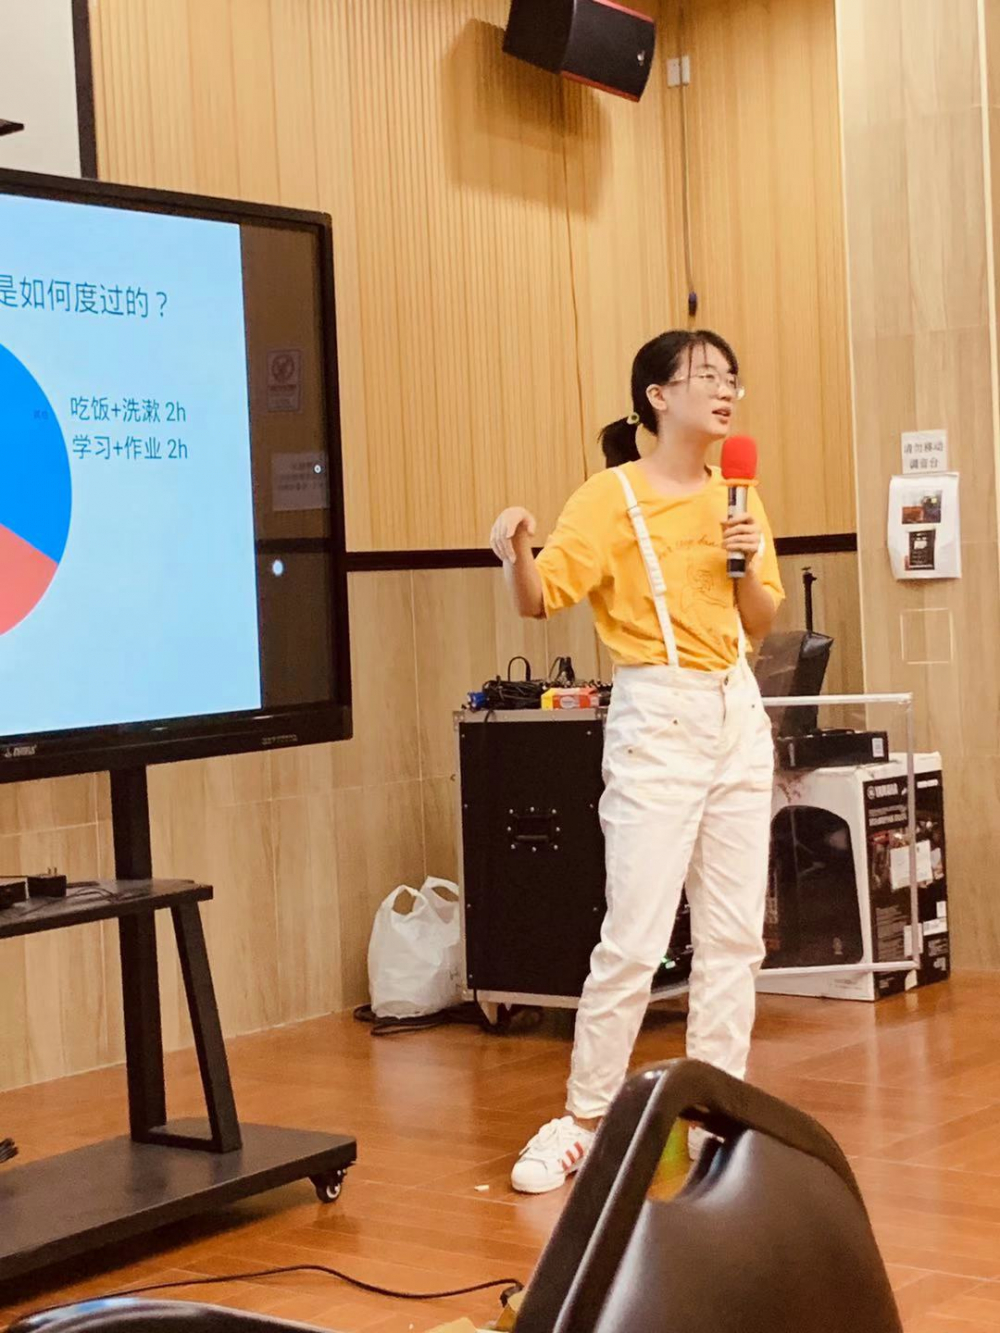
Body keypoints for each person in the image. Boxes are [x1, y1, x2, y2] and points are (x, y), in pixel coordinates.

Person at [489, 330, 784, 1195]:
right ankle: (583, 1121)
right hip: (657, 717)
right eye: (705, 376)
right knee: (635, 938)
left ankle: (715, 1117)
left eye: (731, 378)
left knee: (734, 939)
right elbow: (541, 600)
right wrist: (514, 551)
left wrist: (740, 559)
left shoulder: (738, 496)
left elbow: (760, 618)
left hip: (736, 709)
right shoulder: (609, 496)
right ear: (657, 396)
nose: (724, 391)